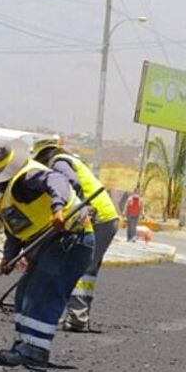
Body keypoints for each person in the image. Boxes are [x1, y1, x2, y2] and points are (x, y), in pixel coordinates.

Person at [0, 140, 95, 367]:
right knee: (25, 292)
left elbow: (58, 180)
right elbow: (15, 231)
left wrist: (57, 208)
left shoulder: (27, 177)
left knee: (44, 293)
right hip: (49, 244)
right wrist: (9, 257)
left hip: (70, 239)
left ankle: (35, 351)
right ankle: (23, 344)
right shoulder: (8, 195)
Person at [32, 137, 120, 332]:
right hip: (106, 217)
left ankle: (77, 317)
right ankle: (79, 315)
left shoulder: (58, 162)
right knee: (88, 270)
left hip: (96, 218)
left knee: (79, 265)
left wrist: (78, 207)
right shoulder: (68, 160)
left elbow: (73, 183)